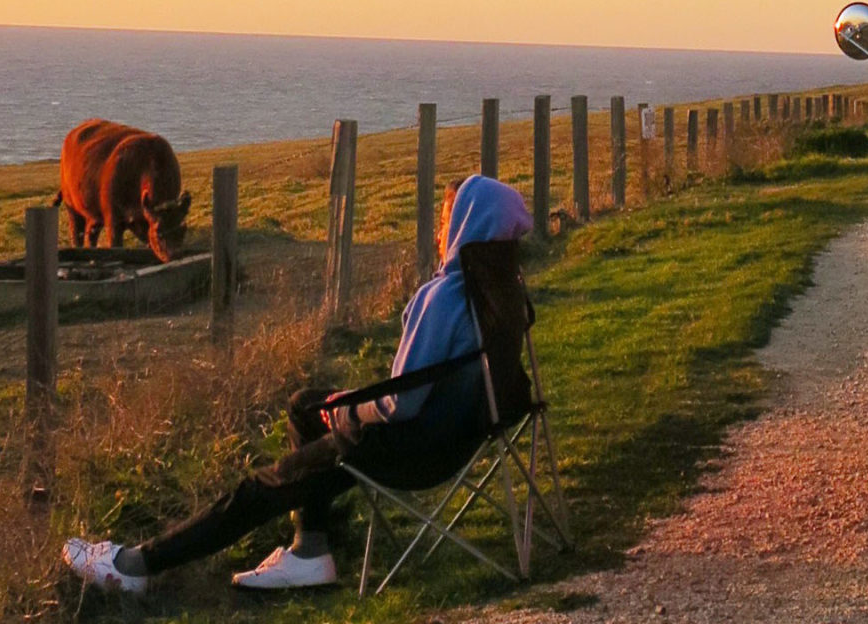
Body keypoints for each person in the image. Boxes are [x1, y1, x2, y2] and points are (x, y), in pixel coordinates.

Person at [61, 174, 533, 593]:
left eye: (446, 220)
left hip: (405, 450)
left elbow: (400, 405)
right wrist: (338, 404)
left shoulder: (444, 296)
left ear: (466, 227)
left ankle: (134, 566)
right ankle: (311, 549)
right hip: (457, 435)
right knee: (305, 404)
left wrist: (345, 411)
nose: (437, 233)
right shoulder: (499, 290)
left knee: (258, 489)